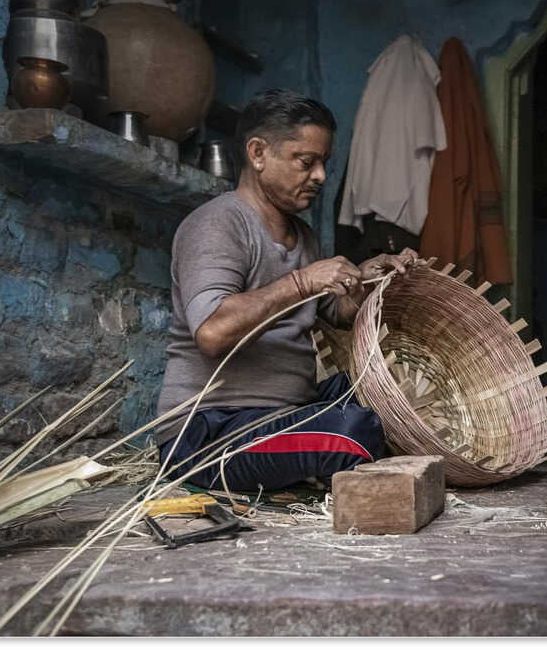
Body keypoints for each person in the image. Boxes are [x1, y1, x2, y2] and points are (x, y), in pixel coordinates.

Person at [154, 89, 417, 491]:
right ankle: (320, 463)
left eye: (324, 163)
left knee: (378, 392)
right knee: (351, 431)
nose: (320, 176)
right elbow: (211, 332)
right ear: (258, 153)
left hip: (282, 414)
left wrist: (364, 281)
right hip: (208, 433)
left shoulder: (302, 235)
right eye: (306, 162)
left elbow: (336, 313)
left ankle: (309, 462)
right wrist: (302, 280)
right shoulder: (218, 224)